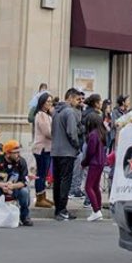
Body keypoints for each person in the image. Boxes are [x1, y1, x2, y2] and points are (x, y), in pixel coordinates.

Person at [51, 88, 82, 221]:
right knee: (65, 181)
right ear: (70, 98)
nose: (78, 102)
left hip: (56, 150)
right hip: (67, 151)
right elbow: (72, 132)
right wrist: (76, 145)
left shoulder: (55, 112)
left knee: (57, 181)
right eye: (77, 99)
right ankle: (62, 209)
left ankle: (58, 209)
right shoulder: (69, 112)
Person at [82, 111, 107, 222]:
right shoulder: (101, 133)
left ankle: (96, 211)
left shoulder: (93, 135)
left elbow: (90, 152)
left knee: (88, 187)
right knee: (95, 186)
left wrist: (84, 163)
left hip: (94, 163)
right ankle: (98, 209)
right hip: (100, 162)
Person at [31, 92, 53, 208]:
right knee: (41, 173)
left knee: (44, 173)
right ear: (42, 102)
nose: (50, 103)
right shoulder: (41, 115)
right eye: (48, 101)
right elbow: (47, 132)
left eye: (51, 101)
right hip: (42, 148)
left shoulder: (47, 115)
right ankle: (39, 198)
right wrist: (58, 135)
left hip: (47, 148)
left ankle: (43, 196)